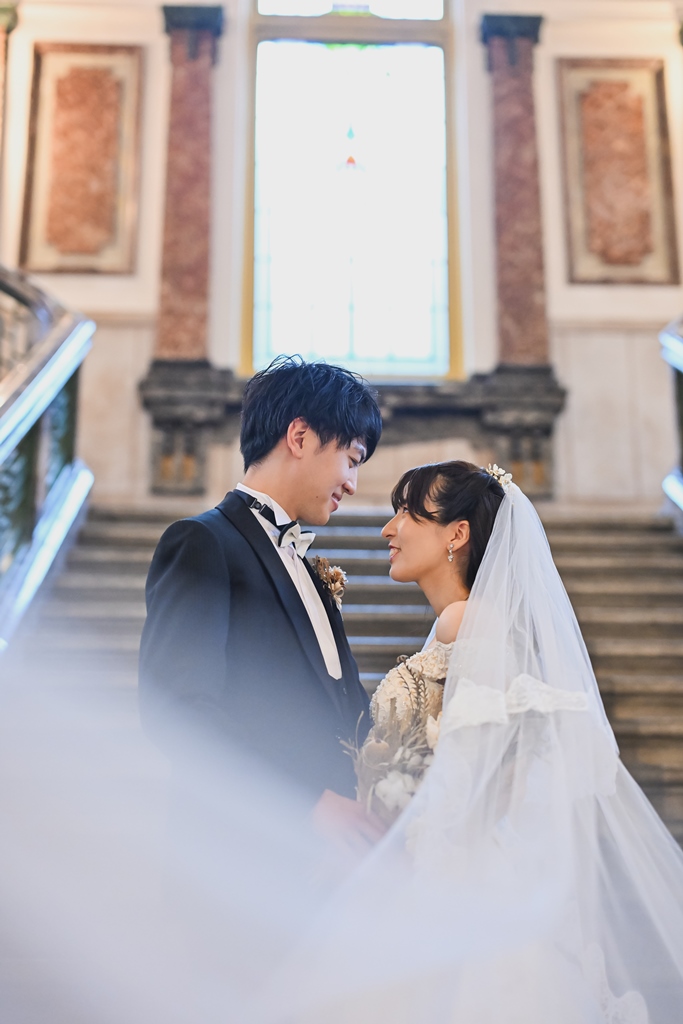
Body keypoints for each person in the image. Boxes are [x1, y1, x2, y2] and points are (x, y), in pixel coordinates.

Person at [260, 460, 683, 1024]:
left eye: (406, 513)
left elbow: (500, 775)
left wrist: (404, 838)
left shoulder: (468, 622)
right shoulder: (457, 624)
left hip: (448, 886)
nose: (387, 529)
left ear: (456, 534)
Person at [138, 356, 385, 853]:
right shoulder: (202, 542)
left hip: (324, 863)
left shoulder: (308, 568)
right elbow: (178, 707)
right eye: (352, 459)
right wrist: (307, 802)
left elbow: (342, 709)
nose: (352, 484)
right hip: (236, 859)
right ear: (300, 437)